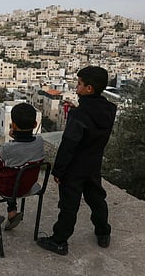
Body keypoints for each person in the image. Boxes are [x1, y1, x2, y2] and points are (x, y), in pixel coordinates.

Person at [37, 66, 116, 255]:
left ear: (89, 88)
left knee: (69, 206)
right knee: (97, 199)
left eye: (79, 84)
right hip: (93, 164)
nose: (76, 87)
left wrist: (59, 170)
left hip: (74, 168)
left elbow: (69, 144)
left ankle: (59, 241)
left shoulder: (79, 115)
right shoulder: (109, 109)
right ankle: (103, 232)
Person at [0, 102, 45, 236]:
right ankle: (12, 212)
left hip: (8, 188)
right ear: (35, 124)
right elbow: (25, 147)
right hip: (29, 185)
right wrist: (16, 137)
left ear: (14, 125)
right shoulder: (40, 142)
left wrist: (13, 140)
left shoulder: (9, 149)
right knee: (14, 174)